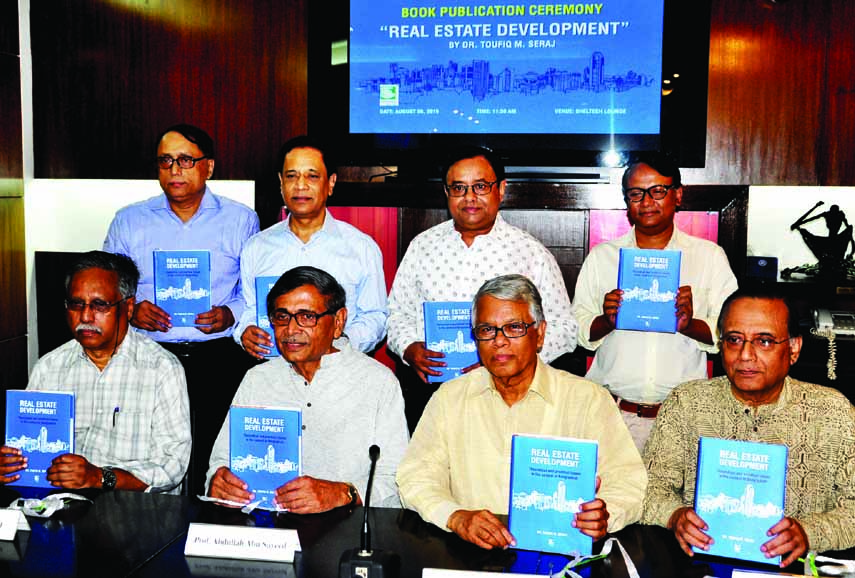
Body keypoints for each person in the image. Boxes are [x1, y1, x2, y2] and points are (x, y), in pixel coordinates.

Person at [396, 274, 645, 549]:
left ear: (539, 334)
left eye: (514, 327)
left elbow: (629, 483)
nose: (499, 341)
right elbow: (415, 477)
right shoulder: (450, 398)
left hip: (560, 554)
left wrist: (604, 516)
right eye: (486, 329)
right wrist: (455, 517)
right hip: (471, 556)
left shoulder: (587, 399)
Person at [641, 287, 855, 568]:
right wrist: (675, 515)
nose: (745, 355)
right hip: (702, 565)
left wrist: (809, 532)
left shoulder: (832, 412)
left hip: (797, 568)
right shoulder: (687, 403)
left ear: (793, 348)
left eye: (764, 341)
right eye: (734, 340)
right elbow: (648, 491)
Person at [103, 123, 259, 495]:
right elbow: (106, 287)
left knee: (212, 455)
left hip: (218, 356)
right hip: (148, 356)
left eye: (186, 160)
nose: (175, 170)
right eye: (166, 161)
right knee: (149, 452)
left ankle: (208, 535)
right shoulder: (129, 219)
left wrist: (231, 313)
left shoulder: (241, 219)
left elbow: (253, 291)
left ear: (208, 167)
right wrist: (132, 309)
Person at [387, 147, 578, 429]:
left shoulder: (530, 253)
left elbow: (564, 328)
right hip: (433, 395)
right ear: (446, 192)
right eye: (459, 188)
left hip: (506, 396)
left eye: (480, 186)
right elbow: (396, 314)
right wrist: (409, 348)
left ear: (501, 189)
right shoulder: (422, 247)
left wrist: (509, 360)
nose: (470, 198)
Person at [572, 153, 738, 451]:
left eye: (657, 191)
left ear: (677, 194)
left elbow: (730, 334)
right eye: (636, 193)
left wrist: (689, 325)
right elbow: (580, 330)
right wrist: (606, 321)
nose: (646, 202)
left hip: (681, 418)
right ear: (626, 201)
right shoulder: (602, 257)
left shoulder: (709, 257)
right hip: (611, 415)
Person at [208, 266, 408, 512]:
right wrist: (219, 481)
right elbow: (221, 460)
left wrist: (344, 492)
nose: (291, 330)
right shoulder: (258, 379)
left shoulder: (378, 382)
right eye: (281, 316)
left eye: (307, 317)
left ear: (338, 322)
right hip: (267, 529)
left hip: (346, 529)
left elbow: (397, 480)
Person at [0, 251, 191, 493]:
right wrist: (13, 464)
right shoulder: (49, 367)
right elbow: (29, 452)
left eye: (100, 305)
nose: (86, 316)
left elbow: (172, 467)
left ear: (129, 307)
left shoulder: (162, 369)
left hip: (134, 514)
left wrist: (100, 477)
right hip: (62, 506)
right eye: (76, 304)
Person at [236, 136, 387, 357]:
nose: (300, 185)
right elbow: (248, 309)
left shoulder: (361, 248)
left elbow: (375, 316)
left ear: (331, 183)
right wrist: (245, 331)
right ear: (280, 182)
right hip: (274, 373)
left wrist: (340, 346)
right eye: (291, 176)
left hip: (339, 372)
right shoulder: (256, 247)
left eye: (312, 176)